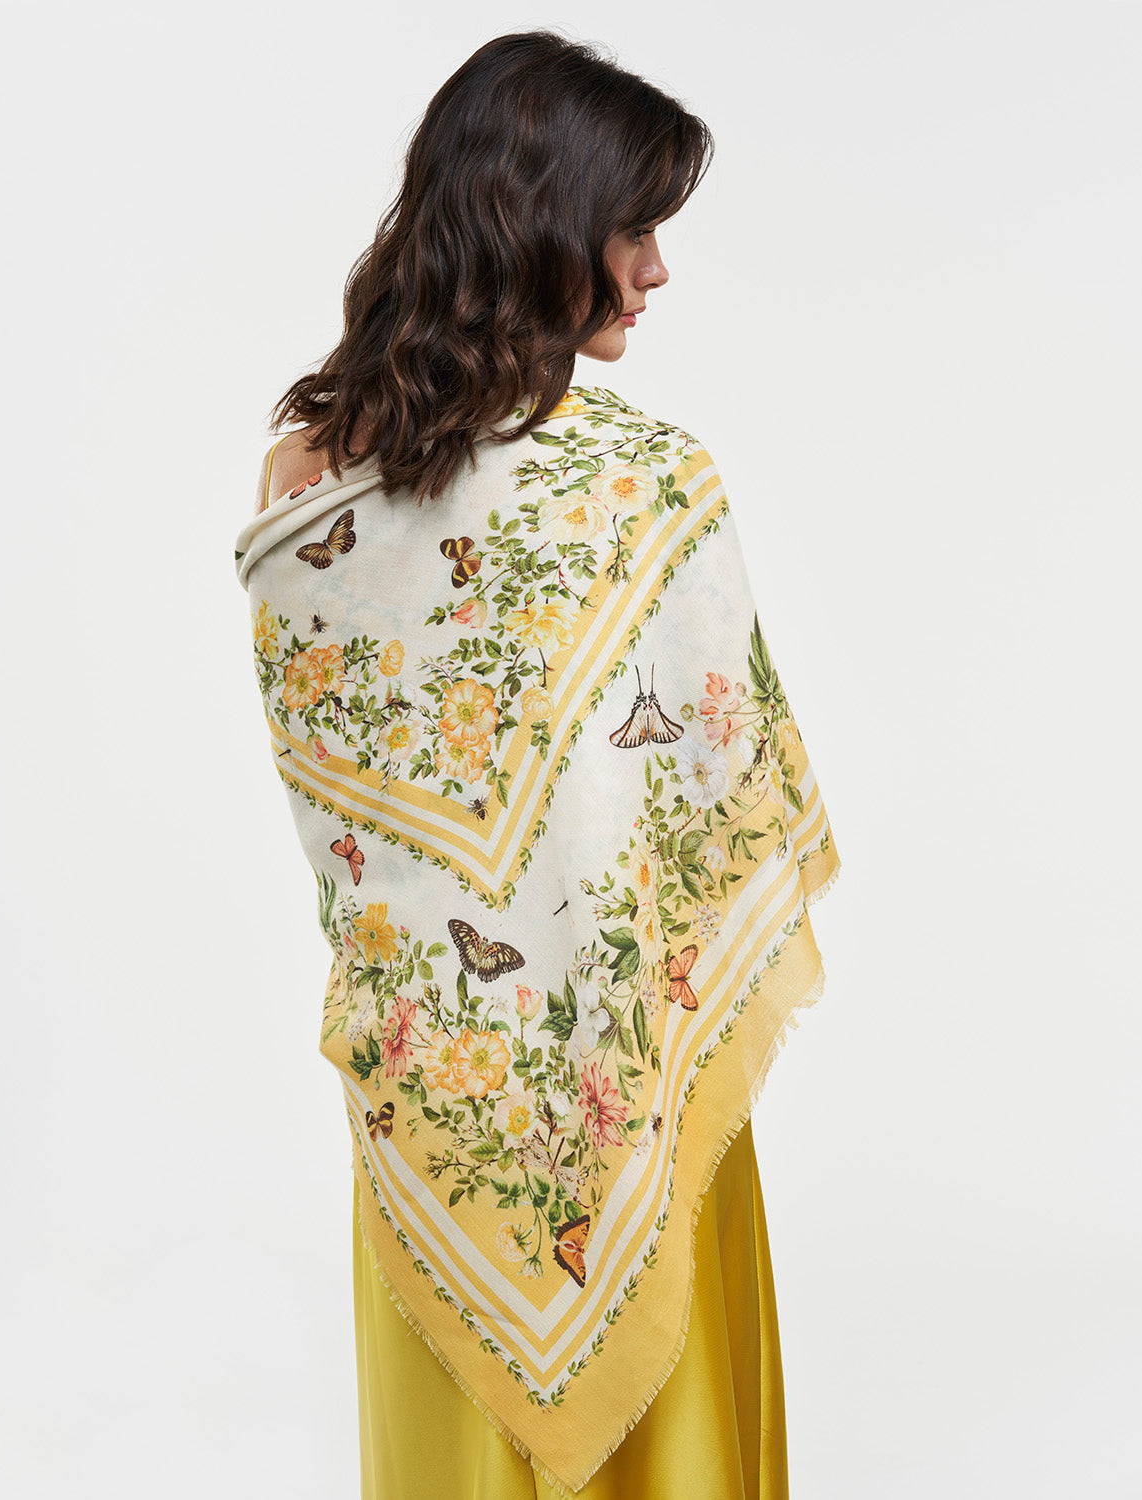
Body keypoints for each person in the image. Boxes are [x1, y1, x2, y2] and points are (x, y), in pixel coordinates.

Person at [234, 29, 841, 1499]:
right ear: (541, 219)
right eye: (635, 228)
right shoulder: (642, 483)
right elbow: (722, 794)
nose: (656, 269)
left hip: (443, 1083)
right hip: (631, 1082)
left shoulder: (308, 466)